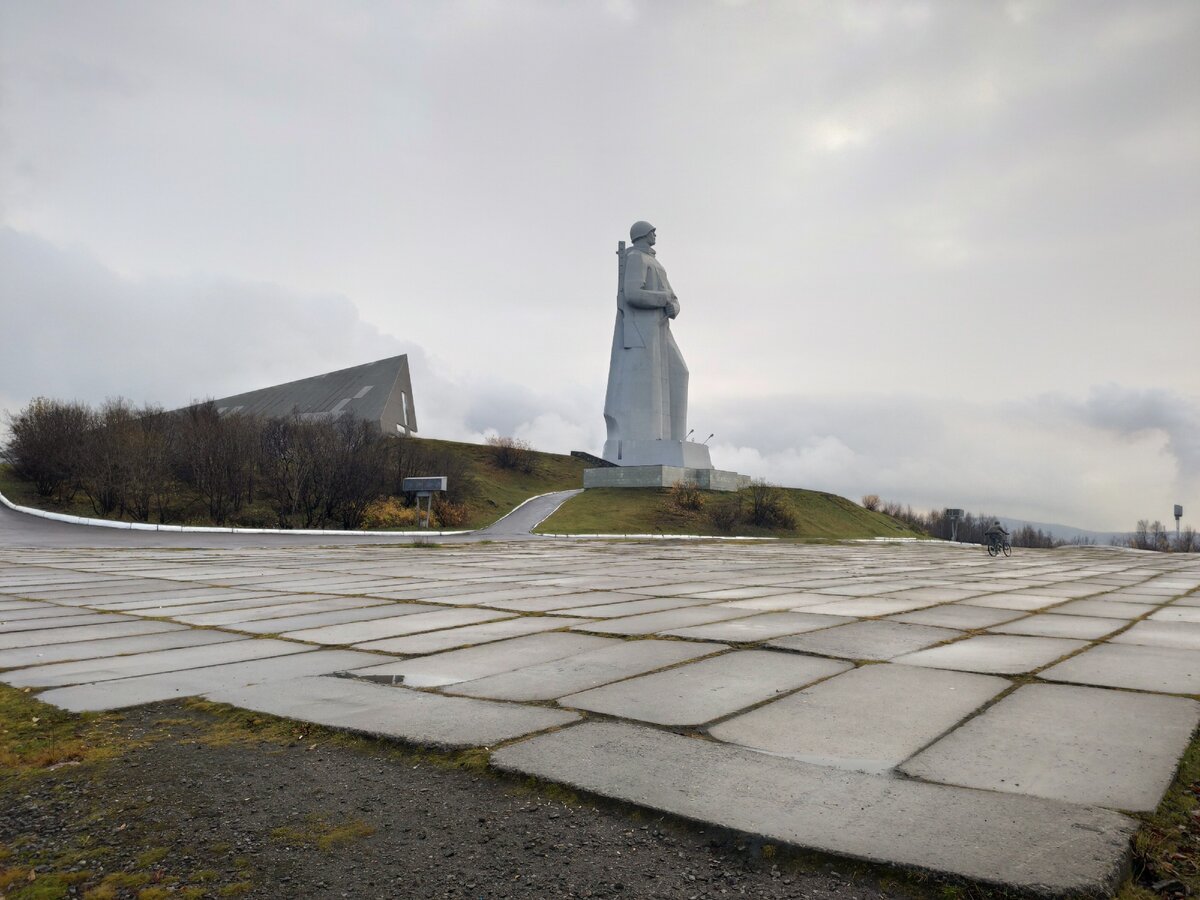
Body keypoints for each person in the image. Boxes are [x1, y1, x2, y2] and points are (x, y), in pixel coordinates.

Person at [601, 221, 690, 462]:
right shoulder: (636, 259)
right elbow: (632, 294)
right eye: (652, 231)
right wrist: (663, 299)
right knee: (649, 383)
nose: (655, 234)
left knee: (679, 373)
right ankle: (652, 438)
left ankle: (674, 438)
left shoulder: (656, 263)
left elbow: (674, 297)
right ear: (642, 234)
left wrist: (674, 306)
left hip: (661, 327)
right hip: (642, 329)